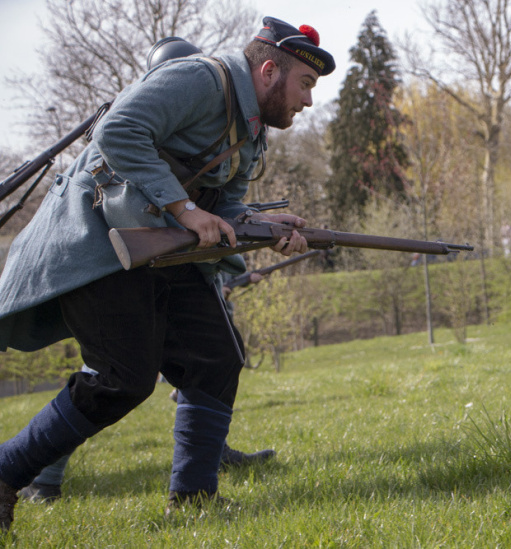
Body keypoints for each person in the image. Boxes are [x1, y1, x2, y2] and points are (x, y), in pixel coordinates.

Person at [0, 16, 335, 531]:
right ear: (269, 70)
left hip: (163, 250)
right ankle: (7, 472)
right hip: (101, 243)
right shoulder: (201, 79)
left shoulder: (251, 129)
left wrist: (261, 223)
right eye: (306, 84)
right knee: (124, 378)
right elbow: (118, 130)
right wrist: (184, 209)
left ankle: (194, 501)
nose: (308, 101)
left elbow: (225, 204)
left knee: (216, 358)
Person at [19, 272, 272, 504]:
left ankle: (199, 481)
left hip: (178, 268)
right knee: (112, 375)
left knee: (209, 362)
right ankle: (35, 475)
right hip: (132, 269)